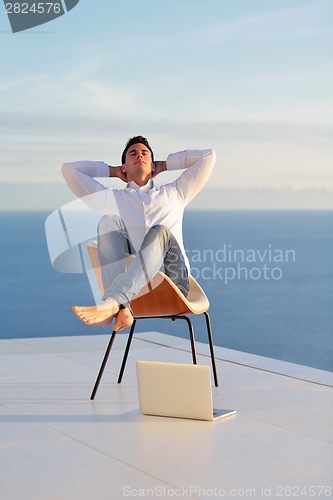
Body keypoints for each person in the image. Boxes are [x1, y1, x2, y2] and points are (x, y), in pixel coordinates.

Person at [62, 136, 216, 332]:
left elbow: (208, 157)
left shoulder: (175, 192)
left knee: (160, 232)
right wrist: (112, 171)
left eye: (145, 153)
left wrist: (165, 165)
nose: (139, 155)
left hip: (173, 283)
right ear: (124, 167)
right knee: (108, 221)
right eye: (132, 154)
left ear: (153, 165)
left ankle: (112, 303)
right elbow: (69, 170)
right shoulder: (111, 199)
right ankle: (120, 306)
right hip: (136, 291)